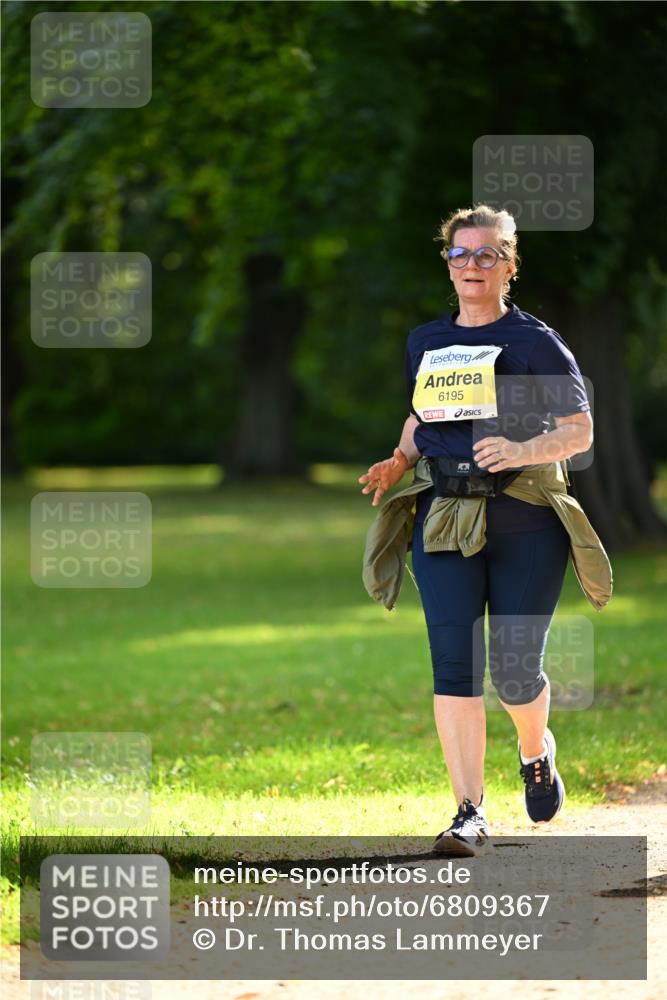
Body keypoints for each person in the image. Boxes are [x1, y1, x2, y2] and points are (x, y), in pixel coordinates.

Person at [359, 204, 596, 854]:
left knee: (516, 673)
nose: (471, 265)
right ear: (448, 263)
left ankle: (533, 750)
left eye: (485, 254)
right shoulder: (425, 341)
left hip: (524, 519)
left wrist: (519, 451)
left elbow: (580, 430)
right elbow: (419, 415)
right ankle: (467, 812)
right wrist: (400, 458)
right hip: (442, 519)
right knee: (454, 668)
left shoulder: (535, 342)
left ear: (508, 265)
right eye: (459, 254)